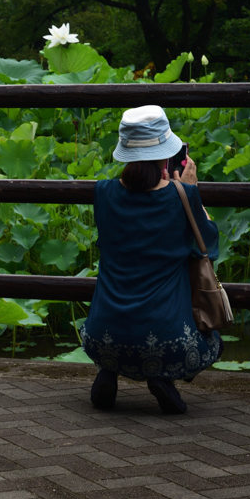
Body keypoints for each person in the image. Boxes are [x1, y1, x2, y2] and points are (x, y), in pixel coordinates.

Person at [82, 105, 222, 414]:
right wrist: (191, 193)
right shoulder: (180, 196)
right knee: (213, 343)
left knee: (119, 332)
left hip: (100, 337)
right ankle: (162, 376)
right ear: (166, 154)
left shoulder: (103, 193)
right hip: (168, 342)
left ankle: (108, 371)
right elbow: (208, 247)